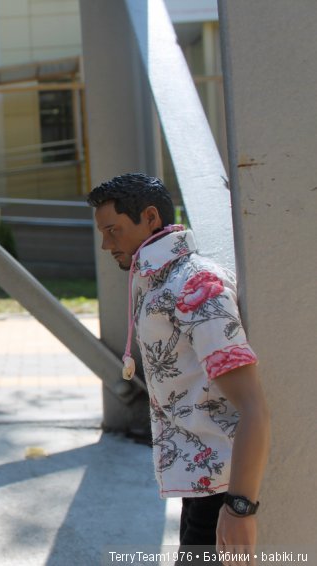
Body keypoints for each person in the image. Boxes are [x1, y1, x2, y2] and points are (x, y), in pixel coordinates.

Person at [87, 173, 270, 564]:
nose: (106, 244)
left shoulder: (195, 285)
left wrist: (240, 508)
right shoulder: (158, 283)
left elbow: (252, 405)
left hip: (222, 487)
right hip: (199, 481)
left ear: (150, 217)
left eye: (114, 230)